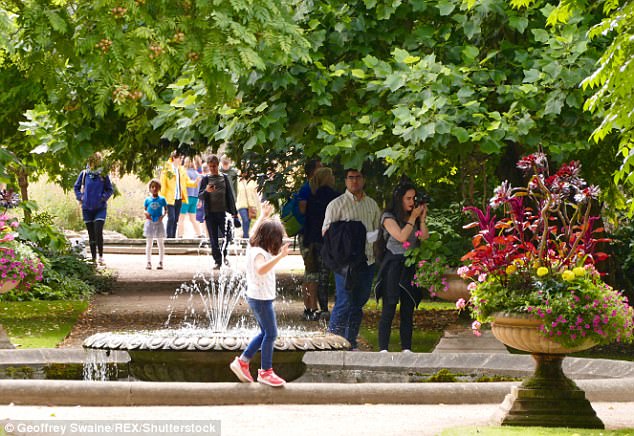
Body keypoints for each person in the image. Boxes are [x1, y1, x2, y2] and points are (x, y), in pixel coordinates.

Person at [229, 202, 290, 387]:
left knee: (265, 332)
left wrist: (263, 215)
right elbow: (261, 269)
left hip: (260, 297)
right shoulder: (259, 253)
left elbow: (256, 230)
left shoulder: (255, 246)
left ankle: (243, 361)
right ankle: (265, 371)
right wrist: (280, 257)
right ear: (270, 239)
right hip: (261, 299)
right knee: (271, 334)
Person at [322, 168, 380, 350]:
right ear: (345, 180)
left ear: (363, 179)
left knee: (358, 303)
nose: (354, 181)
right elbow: (326, 232)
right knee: (344, 301)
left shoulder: (372, 205)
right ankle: (332, 343)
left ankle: (350, 342)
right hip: (345, 264)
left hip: (367, 261)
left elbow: (378, 230)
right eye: (351, 178)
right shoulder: (336, 205)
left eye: (358, 177)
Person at [374, 181, 428, 352]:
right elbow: (401, 237)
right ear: (399, 199)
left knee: (408, 307)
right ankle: (383, 348)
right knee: (389, 305)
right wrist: (413, 219)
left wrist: (422, 219)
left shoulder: (414, 216)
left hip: (409, 264)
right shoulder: (389, 216)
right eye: (408, 198)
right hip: (393, 264)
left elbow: (424, 237)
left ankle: (407, 348)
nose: (412, 202)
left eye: (414, 198)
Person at [302, 167, 339, 320]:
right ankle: (326, 308)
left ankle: (318, 307)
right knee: (326, 275)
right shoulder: (335, 197)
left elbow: (308, 220)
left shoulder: (312, 196)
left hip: (313, 240)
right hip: (328, 241)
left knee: (314, 275)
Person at [198, 155, 239, 268]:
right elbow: (200, 196)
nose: (212, 169)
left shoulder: (224, 177)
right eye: (210, 166)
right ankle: (217, 261)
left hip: (224, 213)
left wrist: (234, 212)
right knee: (213, 239)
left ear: (218, 165)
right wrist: (206, 191)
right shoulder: (205, 179)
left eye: (214, 166)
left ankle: (224, 256)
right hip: (210, 214)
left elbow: (230, 195)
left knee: (228, 236)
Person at [73, 152, 114, 265]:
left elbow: (110, 189)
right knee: (91, 234)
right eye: (92, 161)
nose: (93, 163)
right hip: (87, 208)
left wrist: (103, 198)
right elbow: (76, 187)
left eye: (96, 161)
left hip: (100, 208)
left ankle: (100, 256)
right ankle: (94, 258)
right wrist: (81, 197)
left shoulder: (103, 175)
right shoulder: (84, 174)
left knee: (98, 231)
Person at [160, 150, 200, 239]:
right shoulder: (167, 170)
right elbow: (163, 185)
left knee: (176, 219)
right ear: (174, 158)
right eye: (179, 158)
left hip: (179, 198)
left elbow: (186, 181)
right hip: (170, 198)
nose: (181, 160)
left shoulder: (181, 169)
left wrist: (195, 183)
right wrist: (161, 199)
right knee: (171, 218)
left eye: (182, 158)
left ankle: (173, 238)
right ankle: (169, 238)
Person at [143, 179, 168, 270]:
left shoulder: (162, 199)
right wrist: (145, 213)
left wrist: (163, 216)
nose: (154, 188)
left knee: (160, 243)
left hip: (159, 222)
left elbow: (166, 210)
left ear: (159, 188)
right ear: (149, 188)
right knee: (149, 244)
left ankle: (160, 262)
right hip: (149, 222)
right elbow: (145, 209)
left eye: (156, 187)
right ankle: (148, 262)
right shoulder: (147, 199)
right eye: (152, 187)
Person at [177, 156, 203, 238]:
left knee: (181, 218)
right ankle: (199, 234)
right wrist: (200, 199)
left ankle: (180, 235)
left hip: (186, 197)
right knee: (193, 219)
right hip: (195, 198)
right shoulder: (198, 174)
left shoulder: (184, 172)